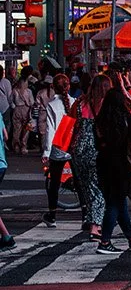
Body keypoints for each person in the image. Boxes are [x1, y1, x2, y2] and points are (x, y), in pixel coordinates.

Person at [94, 73, 131, 254]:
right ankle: (105, 241)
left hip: (103, 163)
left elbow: (97, 143)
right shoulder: (126, 118)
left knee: (117, 201)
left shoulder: (101, 120)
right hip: (122, 165)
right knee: (115, 203)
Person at [70, 74, 109, 240]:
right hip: (96, 149)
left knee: (86, 186)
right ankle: (95, 225)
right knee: (99, 187)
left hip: (78, 148)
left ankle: (90, 217)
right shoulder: (105, 105)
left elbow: (70, 123)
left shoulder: (79, 103)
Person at [42, 73, 76, 227]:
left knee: (54, 183)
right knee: (79, 182)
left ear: (53, 87)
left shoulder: (52, 105)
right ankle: (86, 216)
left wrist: (46, 151)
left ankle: (52, 215)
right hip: (72, 147)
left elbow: (50, 129)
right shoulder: (74, 102)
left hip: (58, 147)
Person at [9, 71, 34, 155]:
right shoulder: (29, 91)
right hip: (26, 110)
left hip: (17, 109)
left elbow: (10, 100)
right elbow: (32, 102)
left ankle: (16, 146)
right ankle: (23, 146)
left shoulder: (15, 90)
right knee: (26, 130)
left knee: (17, 129)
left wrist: (14, 107)